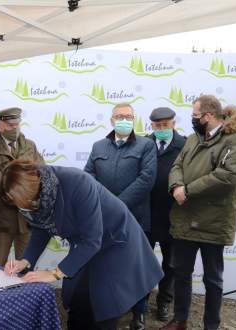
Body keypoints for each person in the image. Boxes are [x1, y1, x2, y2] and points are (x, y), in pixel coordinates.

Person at [2, 159, 163, 330]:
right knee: (78, 301)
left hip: (117, 242)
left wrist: (54, 274)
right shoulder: (34, 198)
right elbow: (41, 229)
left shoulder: (77, 182)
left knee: (104, 306)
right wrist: (26, 260)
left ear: (33, 189)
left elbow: (92, 240)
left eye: (23, 202)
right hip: (87, 245)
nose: (21, 207)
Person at [162, 96, 236, 330]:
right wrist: (176, 186)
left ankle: (211, 325)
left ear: (208, 116)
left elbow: (227, 176)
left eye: (195, 115)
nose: (193, 119)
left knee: (213, 279)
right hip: (185, 217)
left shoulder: (233, 140)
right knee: (181, 273)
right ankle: (180, 319)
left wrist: (188, 190)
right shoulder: (193, 138)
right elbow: (177, 165)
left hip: (213, 221)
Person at [84, 102, 157, 329]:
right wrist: (103, 206)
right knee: (108, 266)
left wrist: (115, 204)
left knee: (136, 268)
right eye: (119, 116)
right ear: (111, 121)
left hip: (134, 218)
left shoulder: (146, 145)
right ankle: (109, 308)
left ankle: (139, 313)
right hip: (103, 220)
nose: (123, 119)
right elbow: (88, 176)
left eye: (128, 116)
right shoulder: (98, 147)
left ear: (134, 120)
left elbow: (146, 179)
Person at [0, 107, 43, 266]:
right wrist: (18, 191)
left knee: (26, 264)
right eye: (10, 125)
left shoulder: (30, 145)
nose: (14, 128)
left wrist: (28, 192)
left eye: (17, 124)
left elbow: (41, 171)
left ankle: (26, 291)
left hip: (26, 216)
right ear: (0, 126)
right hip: (2, 216)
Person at [148, 107, 186, 321]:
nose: (162, 129)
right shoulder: (143, 144)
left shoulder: (184, 145)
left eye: (166, 124)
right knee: (143, 261)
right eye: (157, 125)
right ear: (152, 125)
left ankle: (164, 301)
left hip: (174, 215)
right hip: (147, 215)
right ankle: (140, 303)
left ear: (173, 123)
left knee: (171, 263)